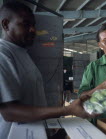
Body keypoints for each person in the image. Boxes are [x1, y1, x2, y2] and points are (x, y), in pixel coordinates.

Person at [0, 2, 94, 138]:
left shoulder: (22, 53)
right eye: (26, 24)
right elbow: (9, 112)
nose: (33, 30)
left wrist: (50, 126)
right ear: (6, 24)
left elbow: (33, 100)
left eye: (33, 25)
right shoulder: (3, 55)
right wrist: (68, 110)